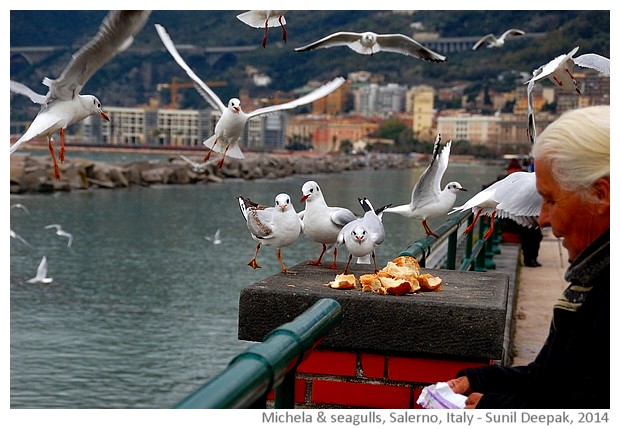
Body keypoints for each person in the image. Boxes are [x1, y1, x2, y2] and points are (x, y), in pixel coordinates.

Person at [446, 105, 610, 408]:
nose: (542, 220)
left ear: (601, 195)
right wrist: (477, 380)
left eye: (549, 200)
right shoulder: (590, 283)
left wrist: (492, 408)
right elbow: (549, 378)